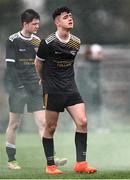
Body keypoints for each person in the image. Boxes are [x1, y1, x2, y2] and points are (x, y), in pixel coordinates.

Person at [35, 6, 97, 174]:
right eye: (65, 17)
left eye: (71, 16)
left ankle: (81, 164)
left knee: (83, 122)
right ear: (57, 22)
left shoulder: (76, 42)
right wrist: (43, 79)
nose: (70, 19)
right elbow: (38, 63)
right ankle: (50, 166)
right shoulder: (47, 42)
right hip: (52, 89)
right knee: (51, 127)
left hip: (70, 88)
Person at [5, 9, 67, 170]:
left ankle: (52, 158)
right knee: (14, 124)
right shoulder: (12, 40)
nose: (37, 26)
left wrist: (43, 80)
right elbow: (10, 68)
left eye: (38, 23)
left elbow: (41, 63)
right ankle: (11, 160)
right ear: (25, 24)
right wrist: (17, 86)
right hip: (18, 89)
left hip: (34, 88)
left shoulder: (37, 41)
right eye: (34, 24)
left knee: (43, 123)